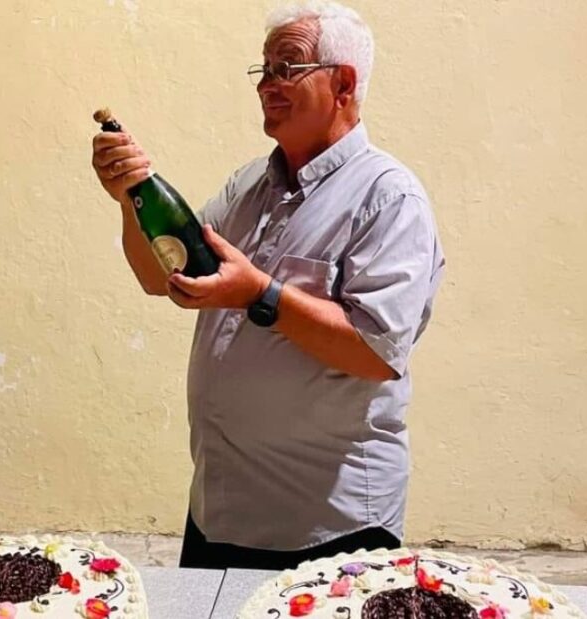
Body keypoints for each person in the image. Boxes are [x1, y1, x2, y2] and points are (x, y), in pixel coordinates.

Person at [91, 1, 445, 571]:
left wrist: (259, 294)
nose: (266, 86)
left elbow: (377, 352)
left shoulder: (388, 199)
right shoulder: (250, 184)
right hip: (221, 504)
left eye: (287, 68)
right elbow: (160, 276)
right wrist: (130, 198)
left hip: (326, 520)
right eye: (264, 69)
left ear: (343, 83)